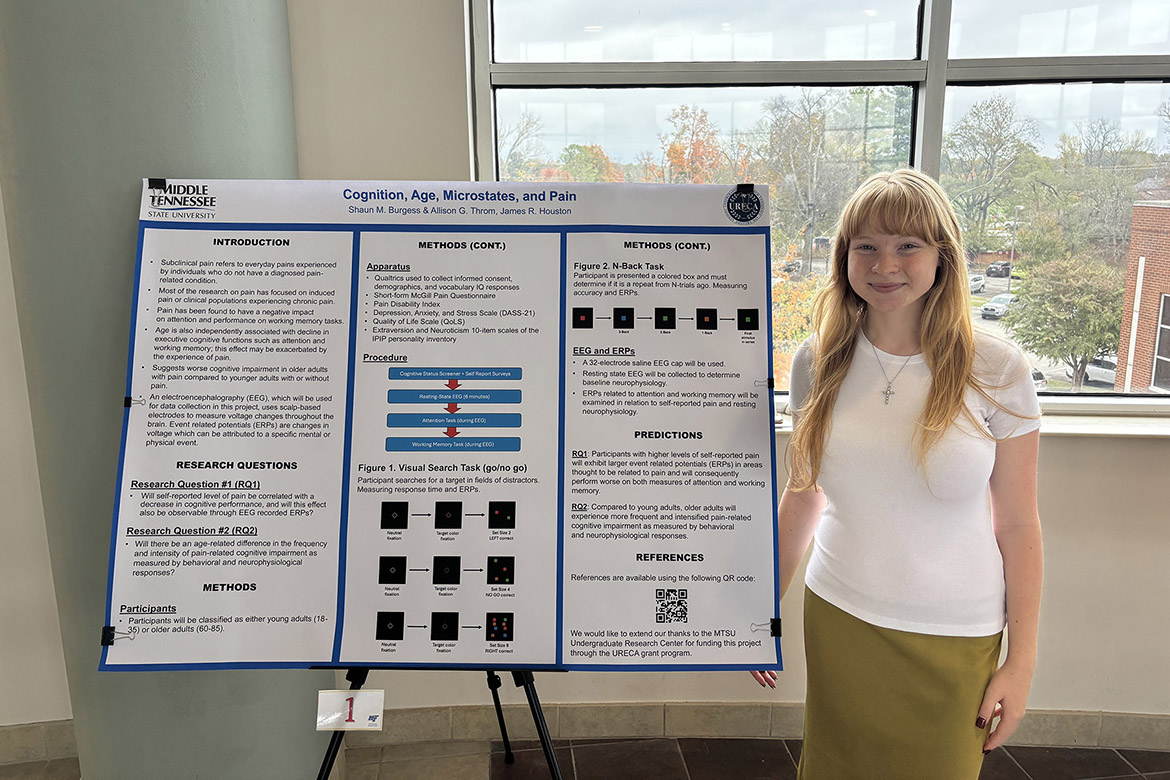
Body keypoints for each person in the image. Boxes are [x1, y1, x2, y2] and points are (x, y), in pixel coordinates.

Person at [751, 168, 1042, 779]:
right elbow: (802, 498)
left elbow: (1018, 525)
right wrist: (761, 608)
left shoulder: (995, 365)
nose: (886, 264)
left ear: (943, 256)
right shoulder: (817, 360)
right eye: (867, 246)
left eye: (908, 245)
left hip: (956, 635)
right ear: (844, 258)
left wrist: (1021, 663)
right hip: (841, 620)